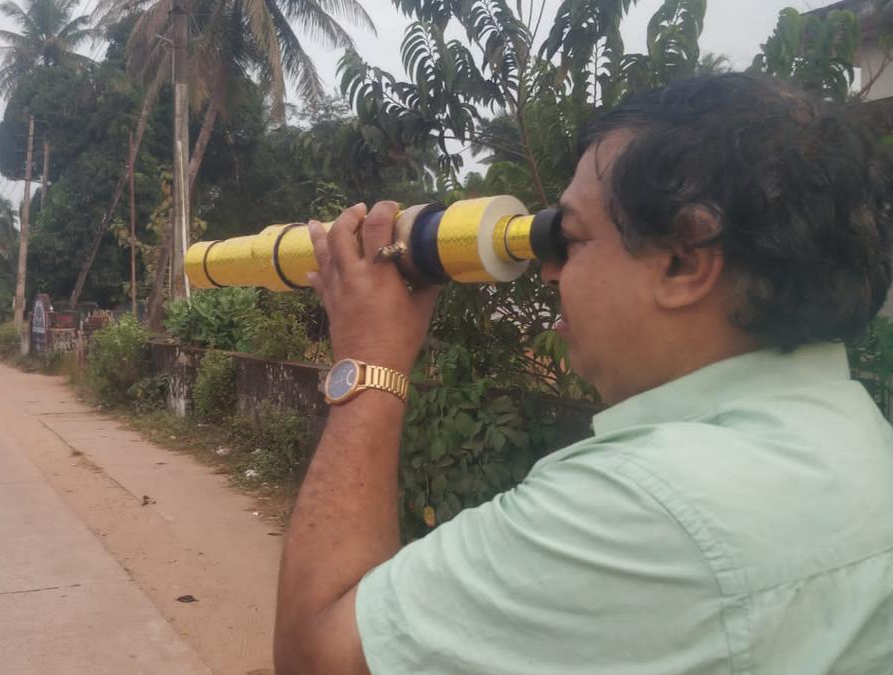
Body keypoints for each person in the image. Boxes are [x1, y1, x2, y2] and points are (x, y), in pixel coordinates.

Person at [274, 73, 893, 674]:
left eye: (568, 238)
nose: (549, 272)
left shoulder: (645, 506)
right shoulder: (858, 439)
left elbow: (318, 655)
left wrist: (370, 360)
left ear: (682, 262)